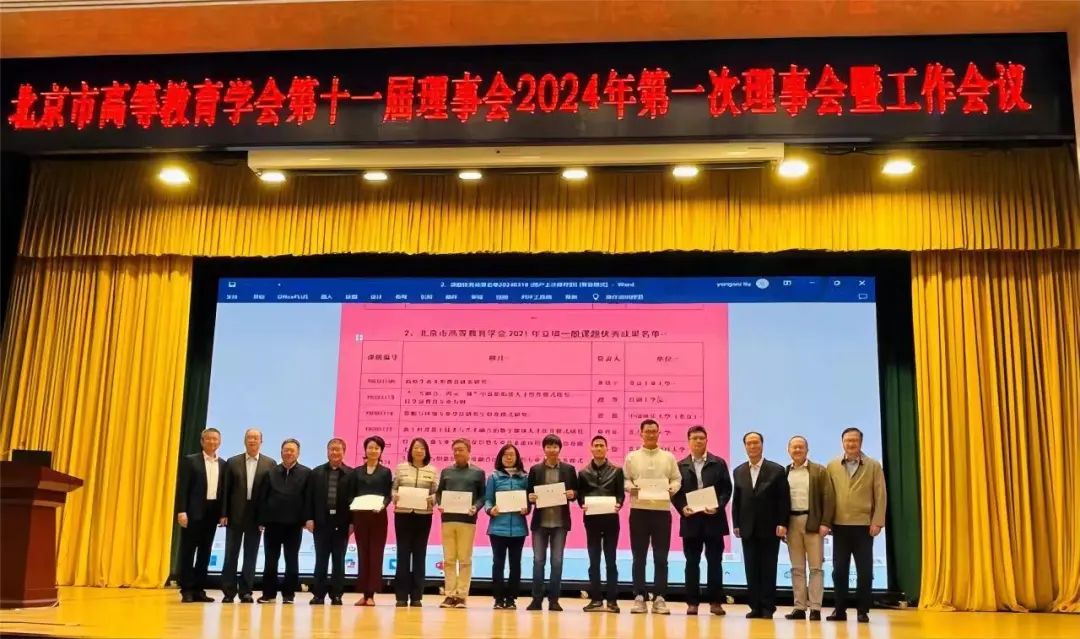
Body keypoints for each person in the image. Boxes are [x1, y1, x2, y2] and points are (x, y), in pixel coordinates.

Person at [826, 427, 886, 624]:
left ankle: (863, 610)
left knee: (865, 571)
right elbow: (828, 496)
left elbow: (880, 495)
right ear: (842, 442)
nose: (851, 444)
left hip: (864, 526)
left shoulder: (873, 465)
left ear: (861, 442)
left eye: (855, 440)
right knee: (839, 571)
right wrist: (827, 522)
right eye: (848, 440)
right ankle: (839, 610)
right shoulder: (832, 465)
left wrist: (877, 522)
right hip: (839, 526)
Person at [671, 425, 732, 616]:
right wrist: (682, 508)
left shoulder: (718, 463)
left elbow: (726, 489)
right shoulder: (680, 465)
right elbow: (675, 492)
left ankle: (715, 602)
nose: (698, 441)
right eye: (695, 438)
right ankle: (692, 603)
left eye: (702, 438)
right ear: (688, 441)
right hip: (691, 521)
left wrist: (718, 506)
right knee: (691, 563)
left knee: (715, 562)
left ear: (706, 440)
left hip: (714, 520)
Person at [623, 418, 681, 615]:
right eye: (647, 431)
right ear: (641, 433)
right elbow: (625, 479)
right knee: (638, 557)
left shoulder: (668, 457)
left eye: (653, 431)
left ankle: (660, 598)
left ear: (658, 433)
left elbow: (676, 479)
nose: (650, 434)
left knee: (661, 557)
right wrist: (631, 488)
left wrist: (672, 488)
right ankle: (639, 597)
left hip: (661, 511)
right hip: (639, 510)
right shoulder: (632, 457)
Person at [732, 431, 789, 619]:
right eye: (749, 443)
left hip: (770, 527)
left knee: (768, 568)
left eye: (756, 442)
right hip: (747, 527)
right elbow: (737, 500)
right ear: (745, 446)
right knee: (751, 568)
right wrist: (736, 523)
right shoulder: (738, 471)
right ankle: (754, 606)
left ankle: (767, 607)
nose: (752, 446)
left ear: (762, 445)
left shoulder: (776, 470)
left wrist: (783, 522)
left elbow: (783, 499)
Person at [220, 428, 276, 603]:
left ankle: (246, 591)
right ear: (245, 441)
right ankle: (228, 592)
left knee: (251, 555)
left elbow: (270, 494)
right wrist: (223, 513)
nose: (252, 441)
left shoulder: (270, 463)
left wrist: (266, 518)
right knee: (231, 555)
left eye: (255, 438)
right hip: (234, 515)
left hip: (256, 517)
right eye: (249, 438)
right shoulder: (232, 462)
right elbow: (225, 490)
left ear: (261, 441)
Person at [525, 433, 578, 612]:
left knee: (557, 562)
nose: (552, 450)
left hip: (560, 523)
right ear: (544, 449)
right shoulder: (535, 470)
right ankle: (536, 599)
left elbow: (576, 492)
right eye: (548, 446)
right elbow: (528, 493)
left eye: (555, 446)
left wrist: (573, 494)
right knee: (538, 561)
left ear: (559, 449)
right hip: (540, 523)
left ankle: (554, 600)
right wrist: (530, 497)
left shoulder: (569, 469)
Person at [784, 435, 834, 621]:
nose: (797, 450)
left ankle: (815, 608)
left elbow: (828, 497)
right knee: (797, 568)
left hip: (813, 522)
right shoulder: (785, 472)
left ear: (807, 450)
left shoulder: (819, 471)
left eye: (801, 447)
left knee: (816, 568)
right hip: (792, 523)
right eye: (794, 447)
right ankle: (799, 607)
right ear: (788, 450)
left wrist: (825, 523)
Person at [175, 427, 226, 603]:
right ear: (202, 441)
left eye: (215, 439)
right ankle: (187, 589)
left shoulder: (223, 464)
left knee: (205, 552)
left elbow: (223, 492)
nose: (212, 442)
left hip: (212, 514)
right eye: (208, 439)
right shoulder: (191, 461)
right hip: (192, 512)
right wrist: (181, 511)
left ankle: (199, 589)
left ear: (219, 442)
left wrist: (222, 514)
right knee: (188, 551)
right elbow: (183, 488)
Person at [256, 438, 310, 604]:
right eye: (286, 450)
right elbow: (263, 498)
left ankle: (289, 595)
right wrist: (261, 520)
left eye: (292, 450)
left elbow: (308, 499)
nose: (288, 453)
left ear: (298, 453)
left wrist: (306, 520)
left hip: (294, 525)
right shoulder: (271, 472)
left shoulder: (306, 473)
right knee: (270, 560)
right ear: (281, 452)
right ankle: (268, 594)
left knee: (291, 559)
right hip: (272, 523)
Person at [435, 438, 486, 609]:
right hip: (448, 519)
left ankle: (462, 596)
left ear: (469, 451)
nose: (457, 453)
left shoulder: (478, 472)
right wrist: (440, 504)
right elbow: (439, 493)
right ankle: (450, 595)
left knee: (464, 559)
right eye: (455, 450)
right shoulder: (446, 471)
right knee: (449, 559)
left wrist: (476, 507)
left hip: (467, 521)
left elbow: (483, 496)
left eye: (461, 449)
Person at [576, 434, 624, 613]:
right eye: (595, 445)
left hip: (611, 520)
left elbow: (620, 494)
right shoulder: (583, 473)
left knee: (611, 561)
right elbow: (580, 496)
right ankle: (596, 599)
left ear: (606, 448)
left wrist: (619, 504)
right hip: (592, 521)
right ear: (591, 448)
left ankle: (612, 601)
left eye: (601, 445)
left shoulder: (617, 471)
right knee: (594, 561)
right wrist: (582, 504)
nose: (598, 448)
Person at [305, 437, 352, 605]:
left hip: (342, 524)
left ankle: (337, 595)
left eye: (338, 449)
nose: (334, 452)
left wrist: (352, 523)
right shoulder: (316, 473)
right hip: (321, 523)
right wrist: (309, 518)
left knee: (339, 561)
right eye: (332, 449)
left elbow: (354, 501)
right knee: (321, 560)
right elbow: (309, 498)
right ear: (327, 452)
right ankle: (318, 594)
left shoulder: (351, 474)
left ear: (344, 452)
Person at [392, 437, 438, 607]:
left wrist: (433, 498)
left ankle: (417, 596)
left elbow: (437, 492)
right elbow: (393, 488)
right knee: (402, 554)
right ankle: (401, 596)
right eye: (416, 448)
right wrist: (394, 495)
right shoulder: (401, 468)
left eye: (422, 448)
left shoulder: (433, 470)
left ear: (426, 452)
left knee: (419, 555)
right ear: (410, 450)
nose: (419, 451)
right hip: (403, 515)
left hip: (423, 516)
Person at [484, 443, 531, 610]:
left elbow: (529, 500)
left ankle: (511, 598)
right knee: (498, 564)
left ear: (517, 457)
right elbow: (488, 499)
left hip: (518, 529)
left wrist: (527, 508)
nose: (509, 457)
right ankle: (498, 598)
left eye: (512, 454)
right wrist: (490, 509)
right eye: (505, 454)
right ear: (500, 457)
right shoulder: (494, 477)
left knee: (515, 564)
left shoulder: (524, 478)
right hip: (497, 528)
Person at [348, 435, 393, 606]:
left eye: (376, 448)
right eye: (370, 447)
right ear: (365, 450)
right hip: (360, 517)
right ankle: (364, 593)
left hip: (378, 517)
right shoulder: (356, 472)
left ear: (381, 451)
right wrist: (353, 505)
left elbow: (388, 495)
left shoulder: (385, 472)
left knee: (375, 555)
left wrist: (382, 505)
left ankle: (371, 595)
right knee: (363, 553)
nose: (373, 451)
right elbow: (351, 494)